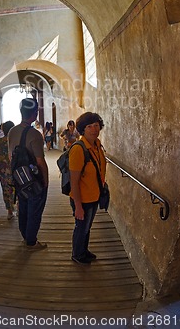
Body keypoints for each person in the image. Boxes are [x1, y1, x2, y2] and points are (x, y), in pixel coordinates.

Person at [8, 98, 49, 251]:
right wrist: (45, 181)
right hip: (33, 179)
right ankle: (31, 242)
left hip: (19, 178)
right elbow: (40, 162)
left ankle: (25, 236)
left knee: (23, 207)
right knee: (35, 210)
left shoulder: (12, 131)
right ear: (34, 113)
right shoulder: (35, 134)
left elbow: (11, 157)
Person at [69, 111, 106, 264]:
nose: (94, 129)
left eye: (96, 125)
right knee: (81, 227)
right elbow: (74, 181)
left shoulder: (97, 146)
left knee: (87, 227)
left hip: (94, 196)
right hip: (82, 198)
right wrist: (78, 206)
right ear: (83, 129)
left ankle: (83, 250)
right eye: (89, 126)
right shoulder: (79, 149)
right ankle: (77, 254)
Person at [0, 120, 16, 220]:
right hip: (15, 170)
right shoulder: (15, 141)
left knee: (6, 190)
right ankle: (19, 208)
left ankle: (9, 211)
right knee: (18, 189)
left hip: (3, 171)